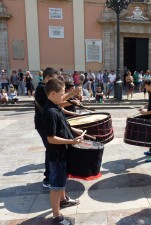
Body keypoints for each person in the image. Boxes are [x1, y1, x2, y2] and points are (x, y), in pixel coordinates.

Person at [43, 78, 82, 225]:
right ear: (53, 94)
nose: (63, 96)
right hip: (57, 155)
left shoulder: (57, 107)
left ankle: (63, 200)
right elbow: (51, 138)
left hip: (63, 153)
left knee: (62, 180)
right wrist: (71, 141)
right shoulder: (50, 112)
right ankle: (56, 216)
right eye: (62, 93)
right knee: (56, 185)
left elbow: (64, 126)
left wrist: (76, 132)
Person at [34, 67, 81, 188]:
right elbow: (56, 103)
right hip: (44, 124)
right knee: (50, 149)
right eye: (55, 78)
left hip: (47, 122)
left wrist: (72, 102)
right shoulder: (41, 89)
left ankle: (55, 177)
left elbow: (58, 103)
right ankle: (49, 179)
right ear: (48, 77)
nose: (57, 81)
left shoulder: (46, 90)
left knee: (52, 149)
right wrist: (72, 94)